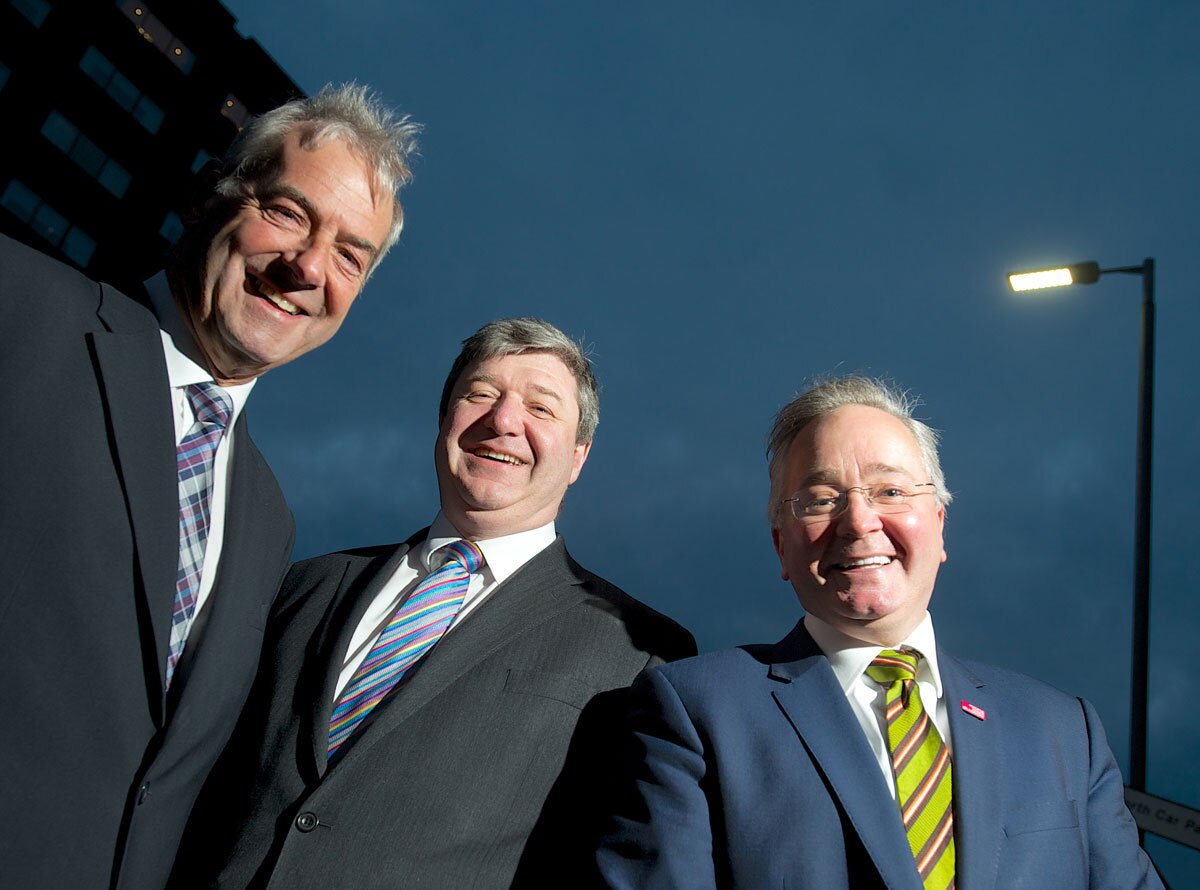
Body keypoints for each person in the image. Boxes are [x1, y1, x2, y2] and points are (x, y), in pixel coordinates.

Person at [0, 84, 420, 889]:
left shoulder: (269, 520)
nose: (306, 268)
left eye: (349, 255)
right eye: (290, 214)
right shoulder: (21, 311)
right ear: (206, 198)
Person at [171, 317, 697, 889]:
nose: (503, 421)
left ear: (577, 457)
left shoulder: (639, 654)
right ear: (444, 420)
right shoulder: (306, 585)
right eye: (481, 395)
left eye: (541, 409)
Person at [597, 376, 1164, 889]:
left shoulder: (1064, 732)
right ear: (782, 549)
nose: (860, 521)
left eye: (890, 492)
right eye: (821, 500)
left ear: (940, 526)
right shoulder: (697, 711)